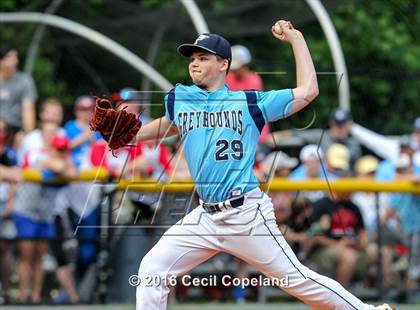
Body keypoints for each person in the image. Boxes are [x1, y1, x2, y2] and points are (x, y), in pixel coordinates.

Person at [132, 21, 391, 309]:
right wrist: (127, 134)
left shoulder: (249, 103)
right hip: (204, 216)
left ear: (223, 64)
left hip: (245, 214)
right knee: (152, 270)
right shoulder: (181, 98)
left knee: (298, 281)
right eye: (192, 59)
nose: (194, 64)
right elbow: (168, 125)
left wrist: (297, 39)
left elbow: (308, 91)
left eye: (203, 58)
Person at [0, 44, 37, 143]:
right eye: (9, 57)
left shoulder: (25, 81)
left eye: (15, 57)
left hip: (15, 129)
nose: (14, 61)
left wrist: (27, 134)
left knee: (25, 139)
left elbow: (28, 109)